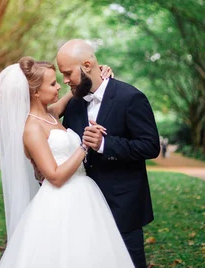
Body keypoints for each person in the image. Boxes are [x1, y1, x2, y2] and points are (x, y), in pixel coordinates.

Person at [0, 57, 134, 267]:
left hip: (84, 194)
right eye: (52, 84)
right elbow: (55, 176)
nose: (59, 85)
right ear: (34, 92)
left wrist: (97, 74)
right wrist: (85, 146)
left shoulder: (50, 115)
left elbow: (73, 91)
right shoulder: (32, 128)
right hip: (60, 202)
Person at [57, 39, 160, 268]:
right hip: (82, 206)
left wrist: (105, 144)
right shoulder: (73, 104)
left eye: (66, 73)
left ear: (86, 65)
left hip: (122, 205)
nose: (64, 80)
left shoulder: (131, 97)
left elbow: (150, 146)